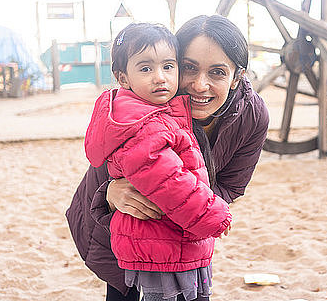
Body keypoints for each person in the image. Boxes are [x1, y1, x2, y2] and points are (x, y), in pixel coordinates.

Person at [66, 15, 270, 301]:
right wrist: (110, 193)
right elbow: (103, 172)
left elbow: (232, 186)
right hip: (119, 228)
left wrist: (187, 212)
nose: (200, 85)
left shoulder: (251, 115)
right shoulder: (143, 108)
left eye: (218, 72)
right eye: (189, 68)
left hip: (185, 237)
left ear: (237, 77)